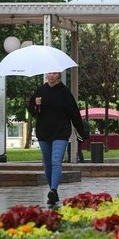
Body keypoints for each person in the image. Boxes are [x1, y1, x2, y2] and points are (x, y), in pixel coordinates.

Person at [28, 72, 84, 209]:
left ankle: (53, 190)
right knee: (47, 164)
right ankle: (54, 192)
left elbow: (74, 113)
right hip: (44, 133)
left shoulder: (64, 92)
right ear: (46, 74)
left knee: (56, 160)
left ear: (59, 75)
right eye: (49, 73)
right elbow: (32, 111)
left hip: (61, 132)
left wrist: (81, 131)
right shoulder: (40, 91)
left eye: (54, 73)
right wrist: (36, 104)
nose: (51, 75)